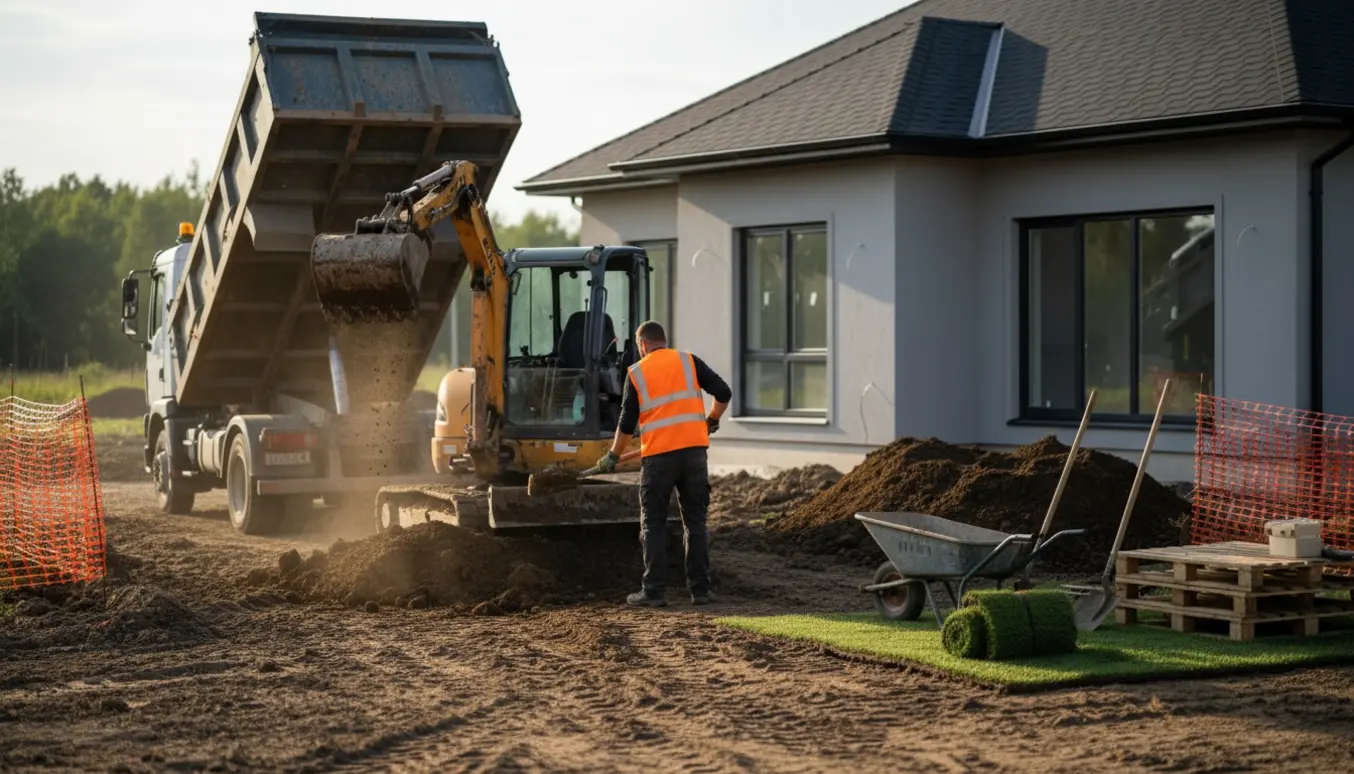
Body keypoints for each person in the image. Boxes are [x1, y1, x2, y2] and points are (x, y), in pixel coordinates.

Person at [595, 321, 731, 607]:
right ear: (663, 341)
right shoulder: (688, 361)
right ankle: (701, 591)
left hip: (659, 459)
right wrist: (712, 420)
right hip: (694, 455)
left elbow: (626, 424)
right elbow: (723, 392)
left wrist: (612, 456)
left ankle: (654, 592)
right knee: (695, 524)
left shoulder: (637, 372)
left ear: (642, 345)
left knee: (654, 524)